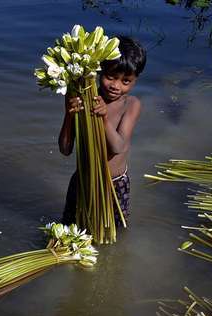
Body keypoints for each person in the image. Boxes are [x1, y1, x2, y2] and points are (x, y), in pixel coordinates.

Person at [58, 36, 145, 225]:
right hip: (83, 180)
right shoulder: (82, 98)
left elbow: (118, 146)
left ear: (135, 80)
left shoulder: (131, 105)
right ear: (99, 71)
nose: (116, 86)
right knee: (71, 229)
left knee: (114, 232)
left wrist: (104, 119)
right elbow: (65, 149)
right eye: (110, 77)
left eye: (126, 81)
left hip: (114, 184)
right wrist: (69, 115)